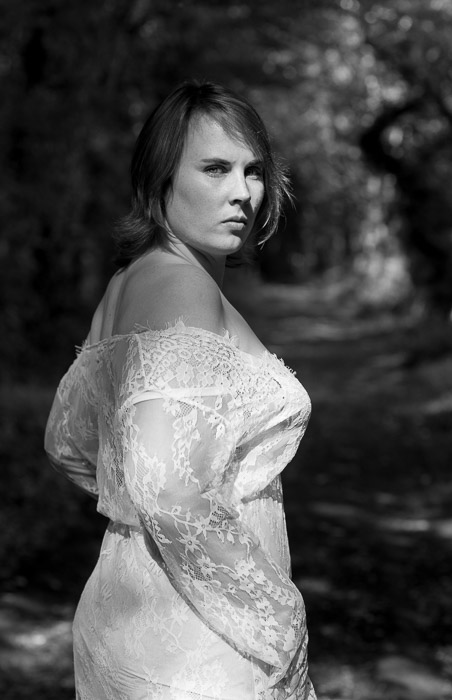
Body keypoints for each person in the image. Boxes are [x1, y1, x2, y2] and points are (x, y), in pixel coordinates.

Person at [44, 80, 316, 700]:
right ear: (159, 179)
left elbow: (65, 442)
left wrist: (133, 507)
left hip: (134, 615)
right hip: (203, 640)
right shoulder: (179, 285)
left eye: (253, 171)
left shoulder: (130, 283)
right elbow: (168, 490)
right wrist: (279, 617)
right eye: (215, 168)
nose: (242, 192)